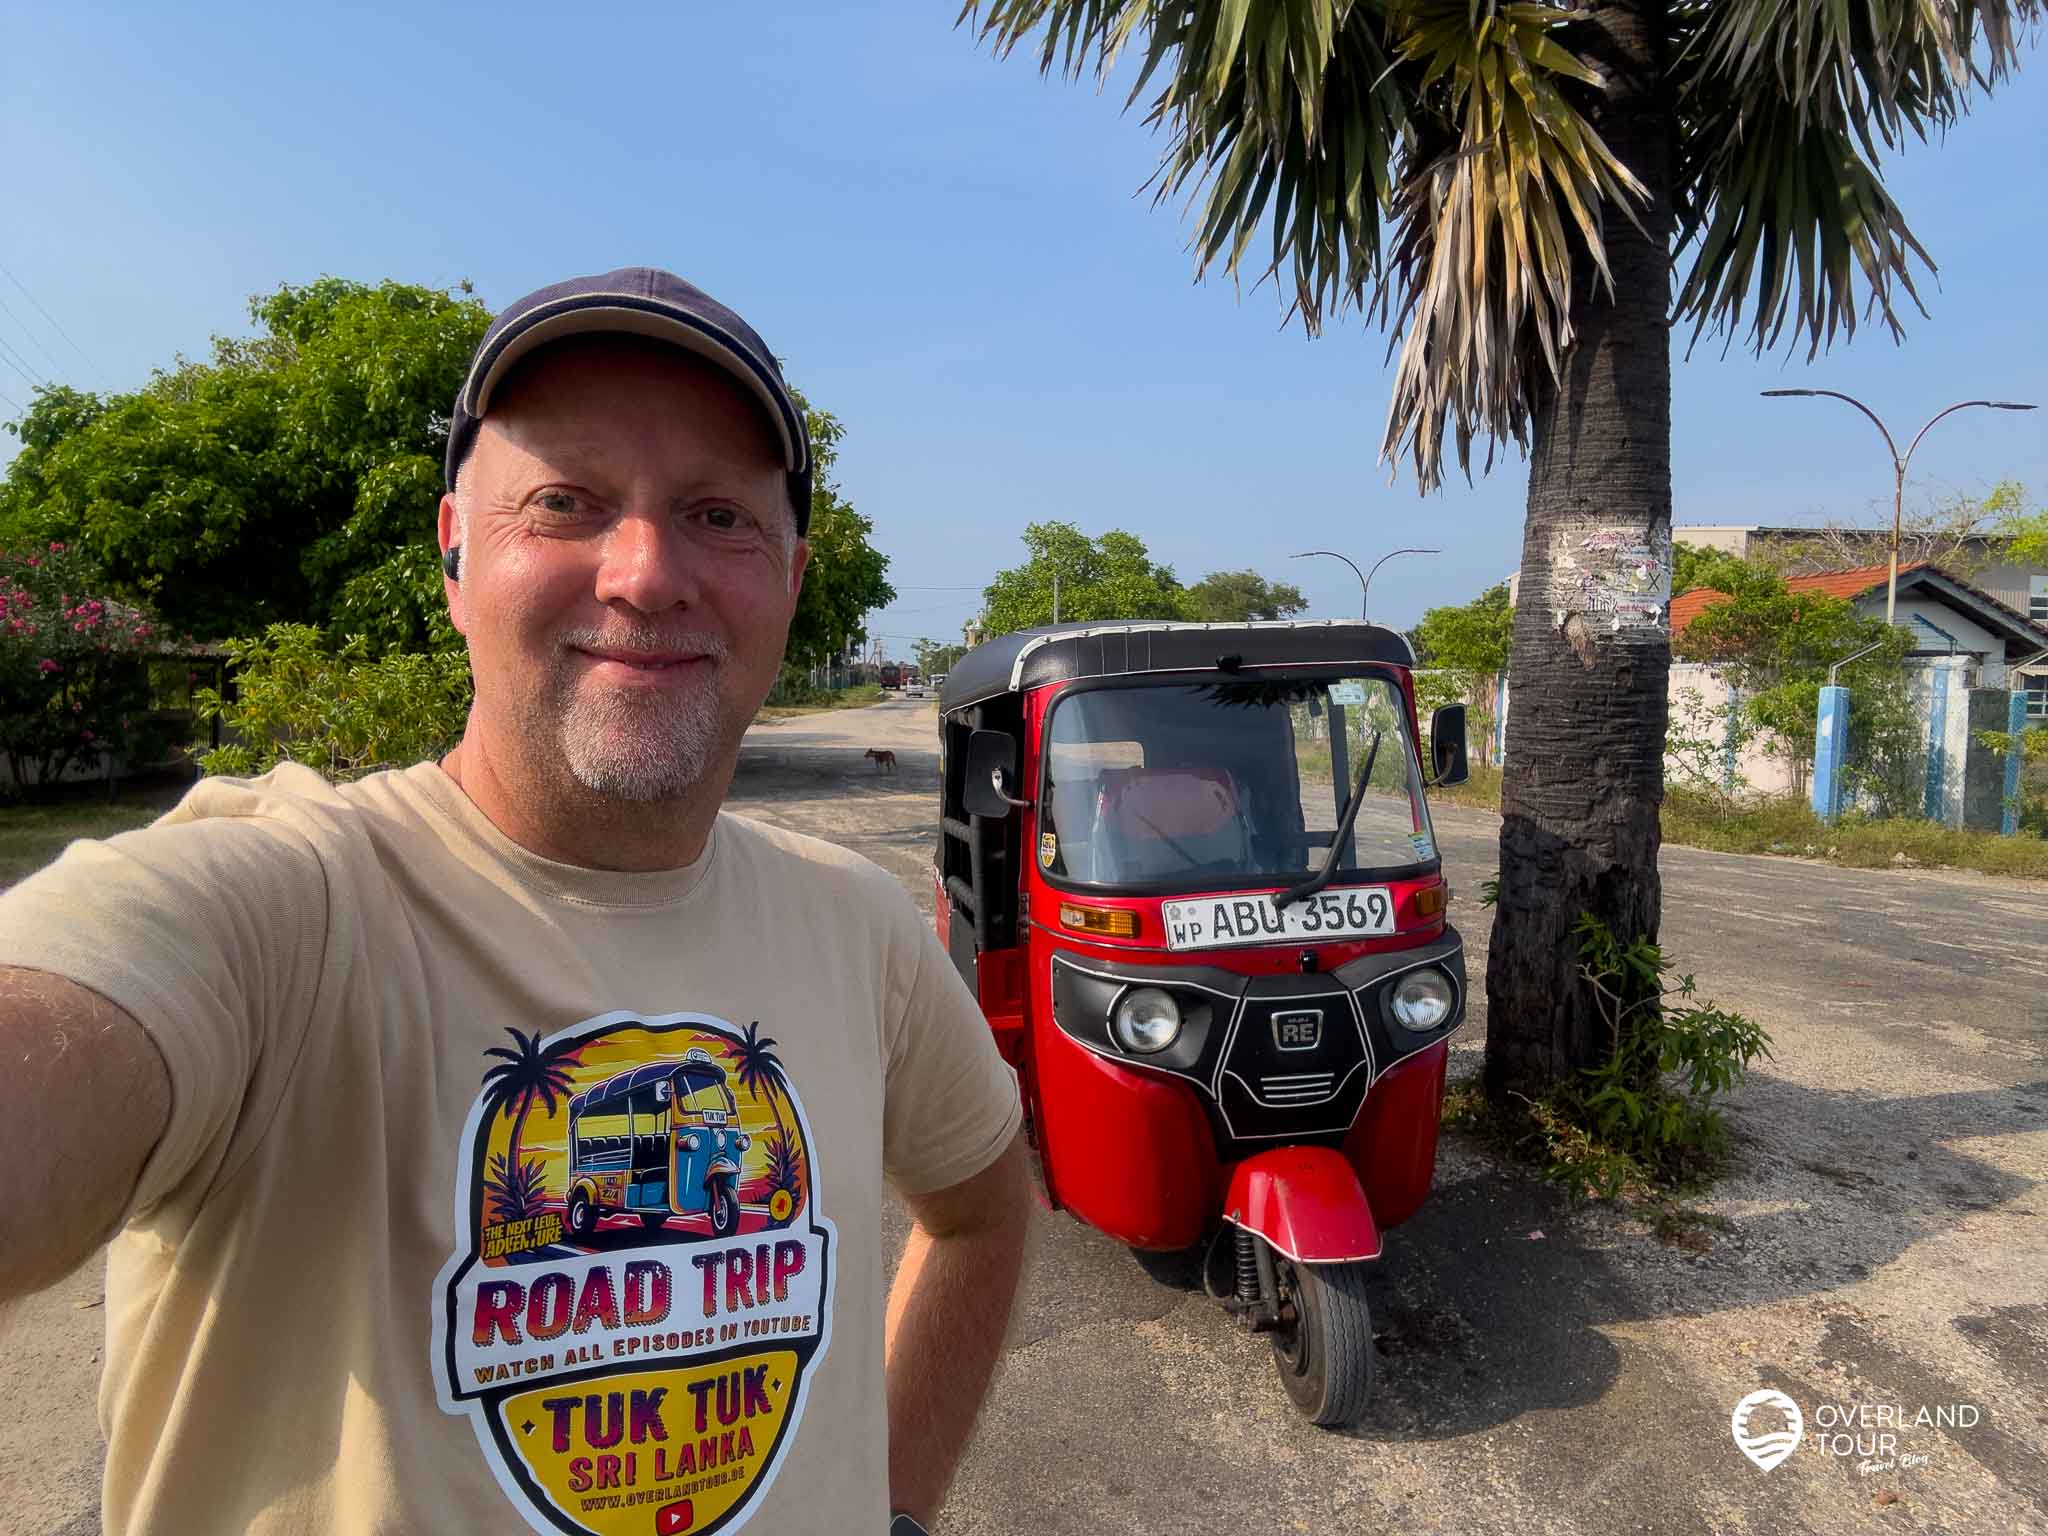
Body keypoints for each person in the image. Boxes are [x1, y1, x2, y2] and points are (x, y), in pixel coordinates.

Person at [0, 267, 1029, 1536]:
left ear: (792, 580)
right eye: (564, 503)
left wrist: (893, 1506)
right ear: (451, 555)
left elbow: (983, 1206)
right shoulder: (289, 906)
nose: (646, 575)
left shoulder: (857, 928)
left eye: (718, 515)